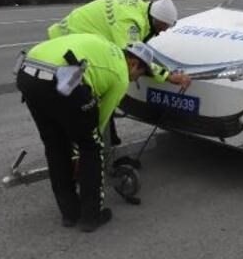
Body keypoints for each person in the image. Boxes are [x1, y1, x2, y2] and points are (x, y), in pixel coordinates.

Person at [16, 34, 152, 232]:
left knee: (55, 146)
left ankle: (69, 214)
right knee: (92, 147)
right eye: (139, 74)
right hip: (60, 78)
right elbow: (100, 120)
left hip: (27, 73)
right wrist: (84, 146)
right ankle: (91, 216)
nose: (136, 79)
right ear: (133, 63)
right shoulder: (121, 74)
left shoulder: (106, 47)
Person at [47, 0, 189, 87]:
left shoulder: (141, 8)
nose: (164, 31)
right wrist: (168, 76)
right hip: (68, 42)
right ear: (155, 19)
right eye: (163, 26)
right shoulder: (130, 23)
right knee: (90, 91)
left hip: (71, 34)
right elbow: (133, 58)